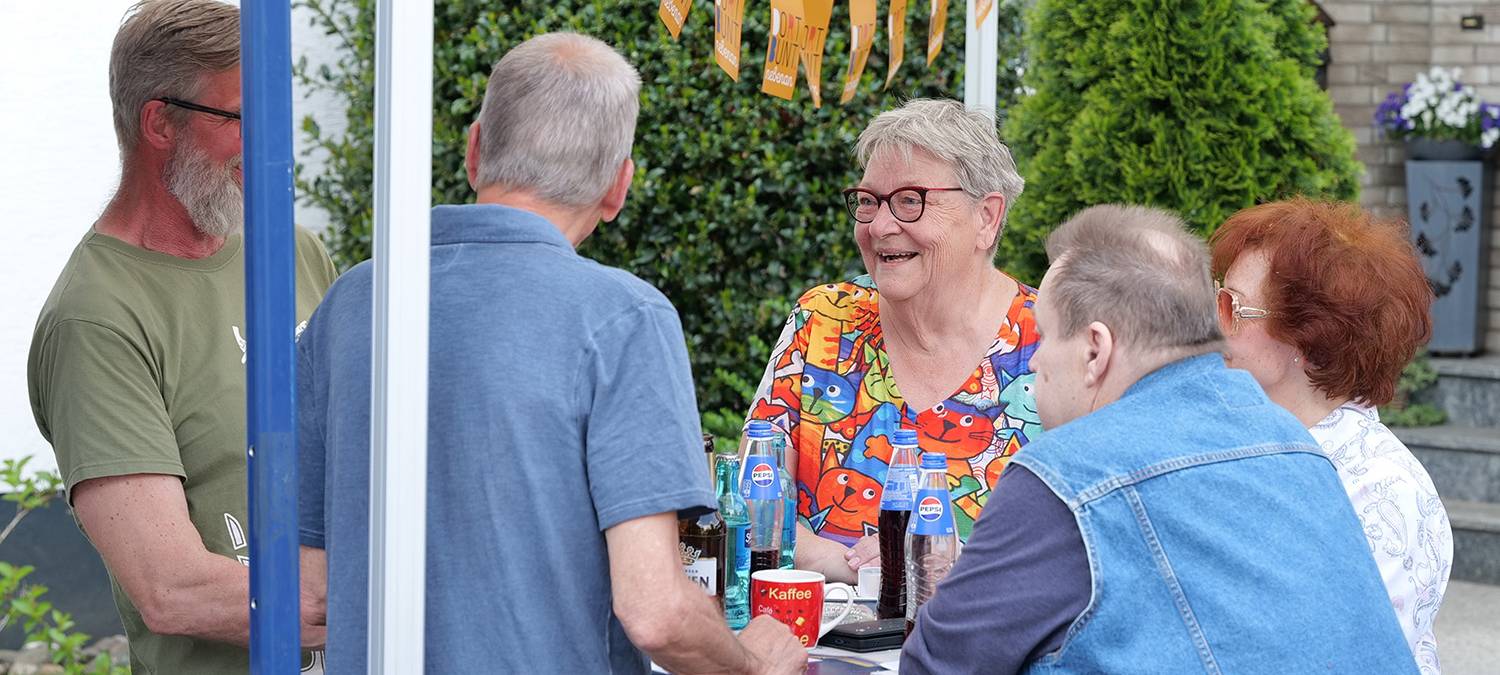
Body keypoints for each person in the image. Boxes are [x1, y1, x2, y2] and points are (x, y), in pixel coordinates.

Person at [296, 32, 805, 674]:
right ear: (619, 187)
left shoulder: (351, 302)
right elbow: (655, 610)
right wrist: (755, 663)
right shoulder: (625, 317)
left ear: (474, 150)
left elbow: (309, 593)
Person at [902, 205, 1416, 674]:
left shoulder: (1064, 473)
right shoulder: (1296, 444)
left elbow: (935, 666)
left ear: (1095, 350)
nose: (1034, 362)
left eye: (1045, 335)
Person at [26, 1, 336, 672]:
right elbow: (173, 590)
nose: (272, 142)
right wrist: (383, 591)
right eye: (243, 117)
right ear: (160, 122)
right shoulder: (96, 318)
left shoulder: (291, 249)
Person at [745, 99, 1038, 582]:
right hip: (823, 625)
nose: (880, 226)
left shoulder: (1052, 344)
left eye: (910, 200)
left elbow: (1085, 544)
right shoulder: (824, 321)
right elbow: (750, 503)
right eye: (868, 201)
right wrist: (848, 565)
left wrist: (950, 563)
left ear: (986, 217)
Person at [1210, 199, 1451, 673]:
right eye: (1217, 298)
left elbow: (1341, 656)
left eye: (1232, 306)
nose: (1214, 324)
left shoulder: (1381, 490)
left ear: (1307, 336)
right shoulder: (1247, 439)